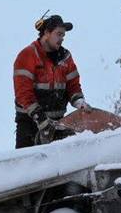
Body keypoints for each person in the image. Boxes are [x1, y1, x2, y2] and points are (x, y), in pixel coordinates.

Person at [13, 13, 89, 148]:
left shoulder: (65, 57)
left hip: (59, 124)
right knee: (28, 166)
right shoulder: (27, 56)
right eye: (59, 34)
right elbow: (23, 94)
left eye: (63, 36)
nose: (62, 39)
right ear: (47, 33)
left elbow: (73, 85)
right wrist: (40, 119)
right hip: (30, 126)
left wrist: (79, 101)